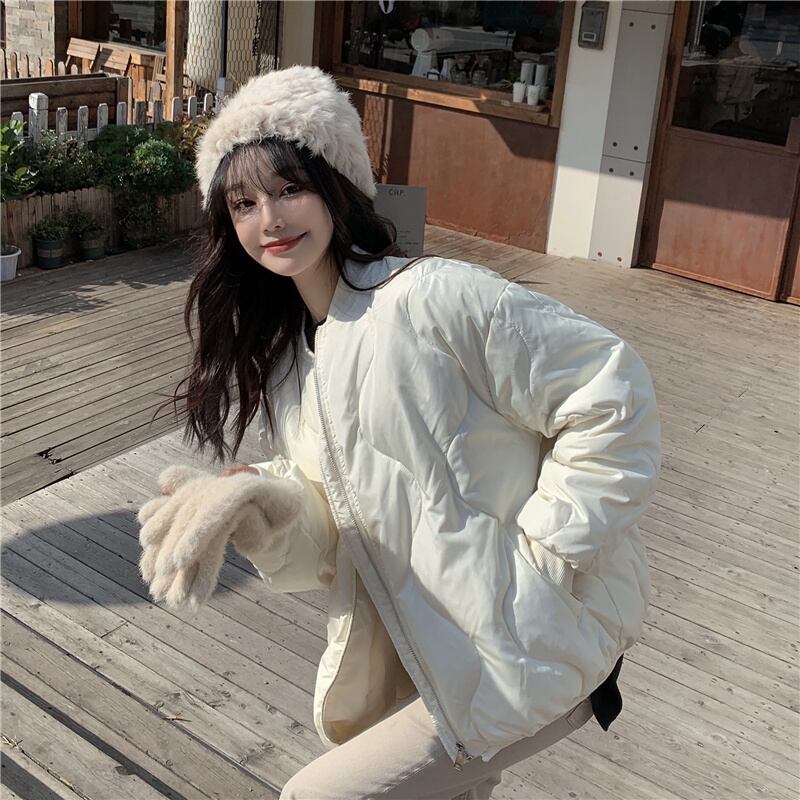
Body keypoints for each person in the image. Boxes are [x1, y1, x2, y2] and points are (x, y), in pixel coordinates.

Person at [159, 66, 661, 799]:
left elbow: (610, 391)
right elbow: (337, 542)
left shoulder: (433, 297)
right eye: (243, 203)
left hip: (532, 646)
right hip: (434, 661)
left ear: (336, 186)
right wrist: (263, 509)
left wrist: (548, 558)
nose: (269, 218)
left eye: (289, 187)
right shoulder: (294, 364)